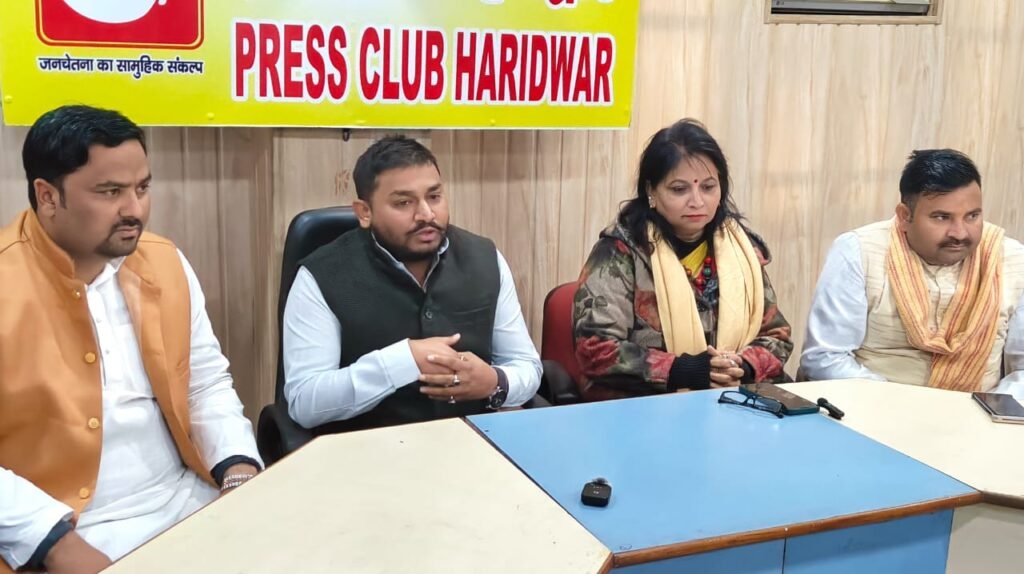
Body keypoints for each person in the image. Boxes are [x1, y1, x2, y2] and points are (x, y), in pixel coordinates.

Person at [0, 105, 261, 574]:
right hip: (60, 528)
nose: (134, 210)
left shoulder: (164, 261)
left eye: (142, 188)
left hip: (183, 501)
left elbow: (204, 383)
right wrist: (56, 544)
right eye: (110, 192)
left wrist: (238, 469)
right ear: (48, 196)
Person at [282, 135, 541, 431]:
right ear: (365, 212)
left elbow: (527, 366)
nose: (426, 214)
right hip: (365, 449)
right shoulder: (321, 275)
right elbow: (305, 401)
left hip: (472, 442)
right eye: (404, 203)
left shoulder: (485, 258)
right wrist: (402, 362)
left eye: (434, 197)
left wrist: (495, 383)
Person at [573, 119, 793, 401]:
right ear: (651, 191)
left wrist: (743, 366)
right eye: (679, 189)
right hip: (648, 407)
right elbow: (596, 349)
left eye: (708, 187)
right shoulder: (620, 252)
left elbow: (777, 335)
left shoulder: (741, 249)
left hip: (735, 398)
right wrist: (686, 370)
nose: (697, 201)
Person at [800, 149, 1024, 394]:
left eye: (972, 216)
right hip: (874, 405)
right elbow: (826, 357)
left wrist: (991, 407)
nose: (959, 233)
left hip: (980, 409)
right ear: (905, 216)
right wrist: (903, 404)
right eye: (941, 217)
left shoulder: (1011, 259)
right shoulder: (859, 251)